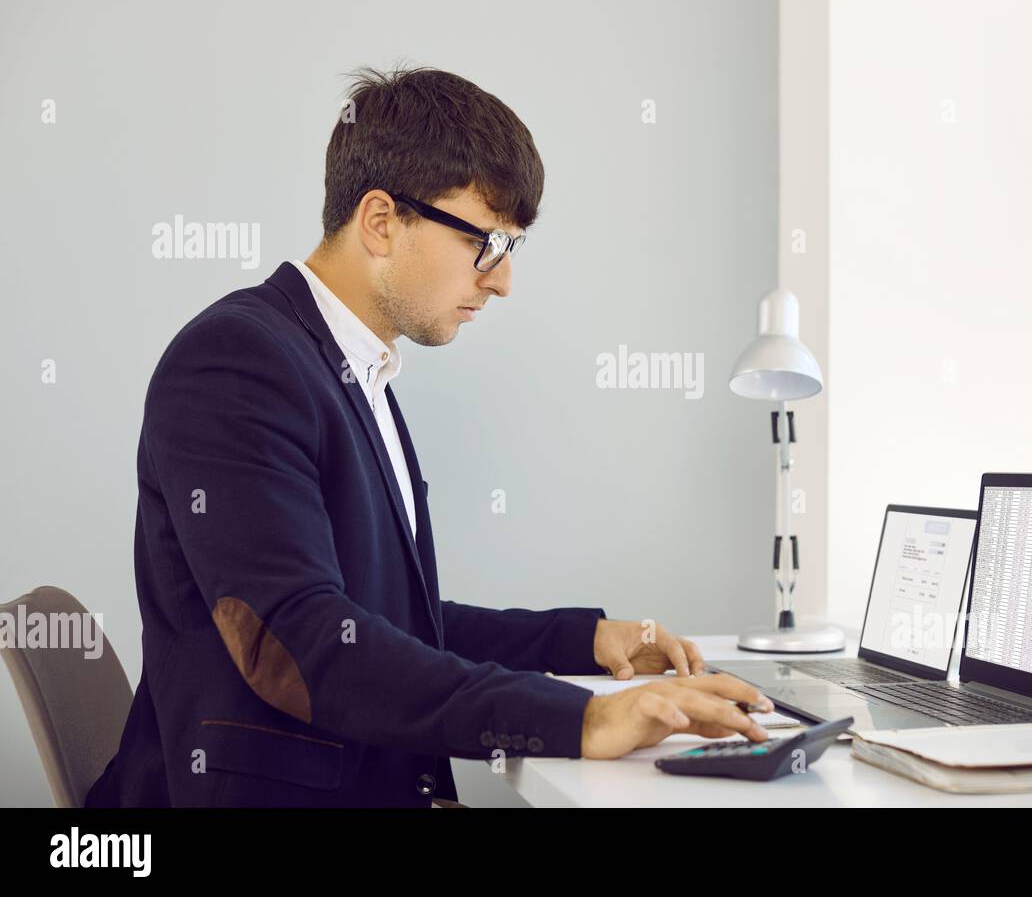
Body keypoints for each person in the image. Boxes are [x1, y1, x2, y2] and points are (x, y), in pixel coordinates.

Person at [84, 66, 770, 808]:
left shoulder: (352, 368)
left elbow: (384, 624)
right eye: (487, 243)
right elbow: (301, 645)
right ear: (381, 221)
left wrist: (580, 642)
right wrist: (581, 718)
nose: (501, 281)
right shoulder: (237, 363)